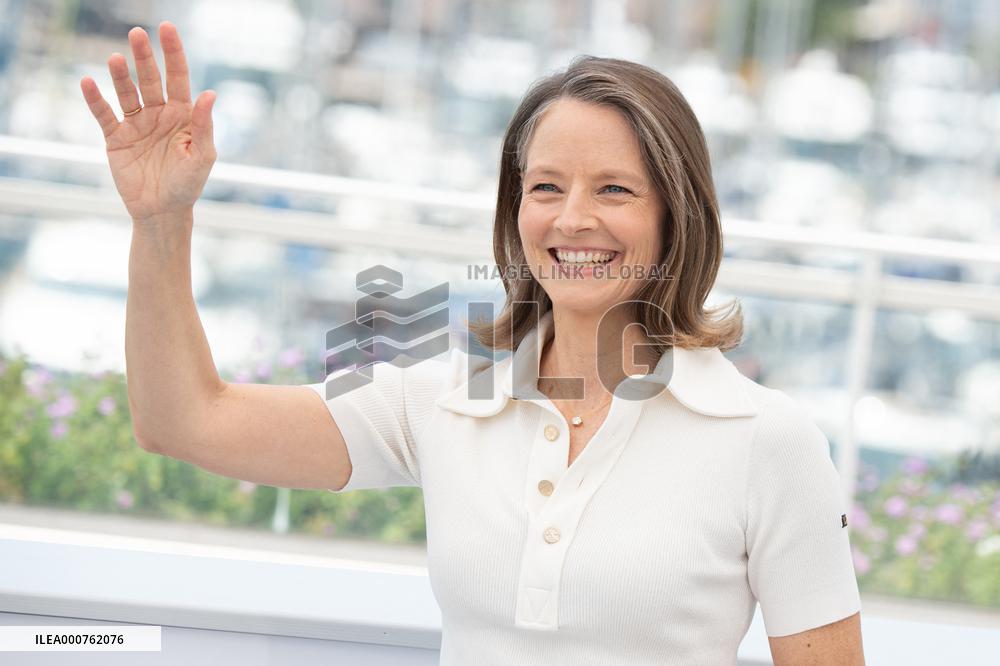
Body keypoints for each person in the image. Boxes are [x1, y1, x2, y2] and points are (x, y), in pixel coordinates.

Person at [81, 21, 866, 666]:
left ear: (676, 214)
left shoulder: (769, 441)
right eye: (546, 186)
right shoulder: (445, 395)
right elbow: (183, 420)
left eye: (615, 189)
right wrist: (161, 222)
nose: (571, 220)